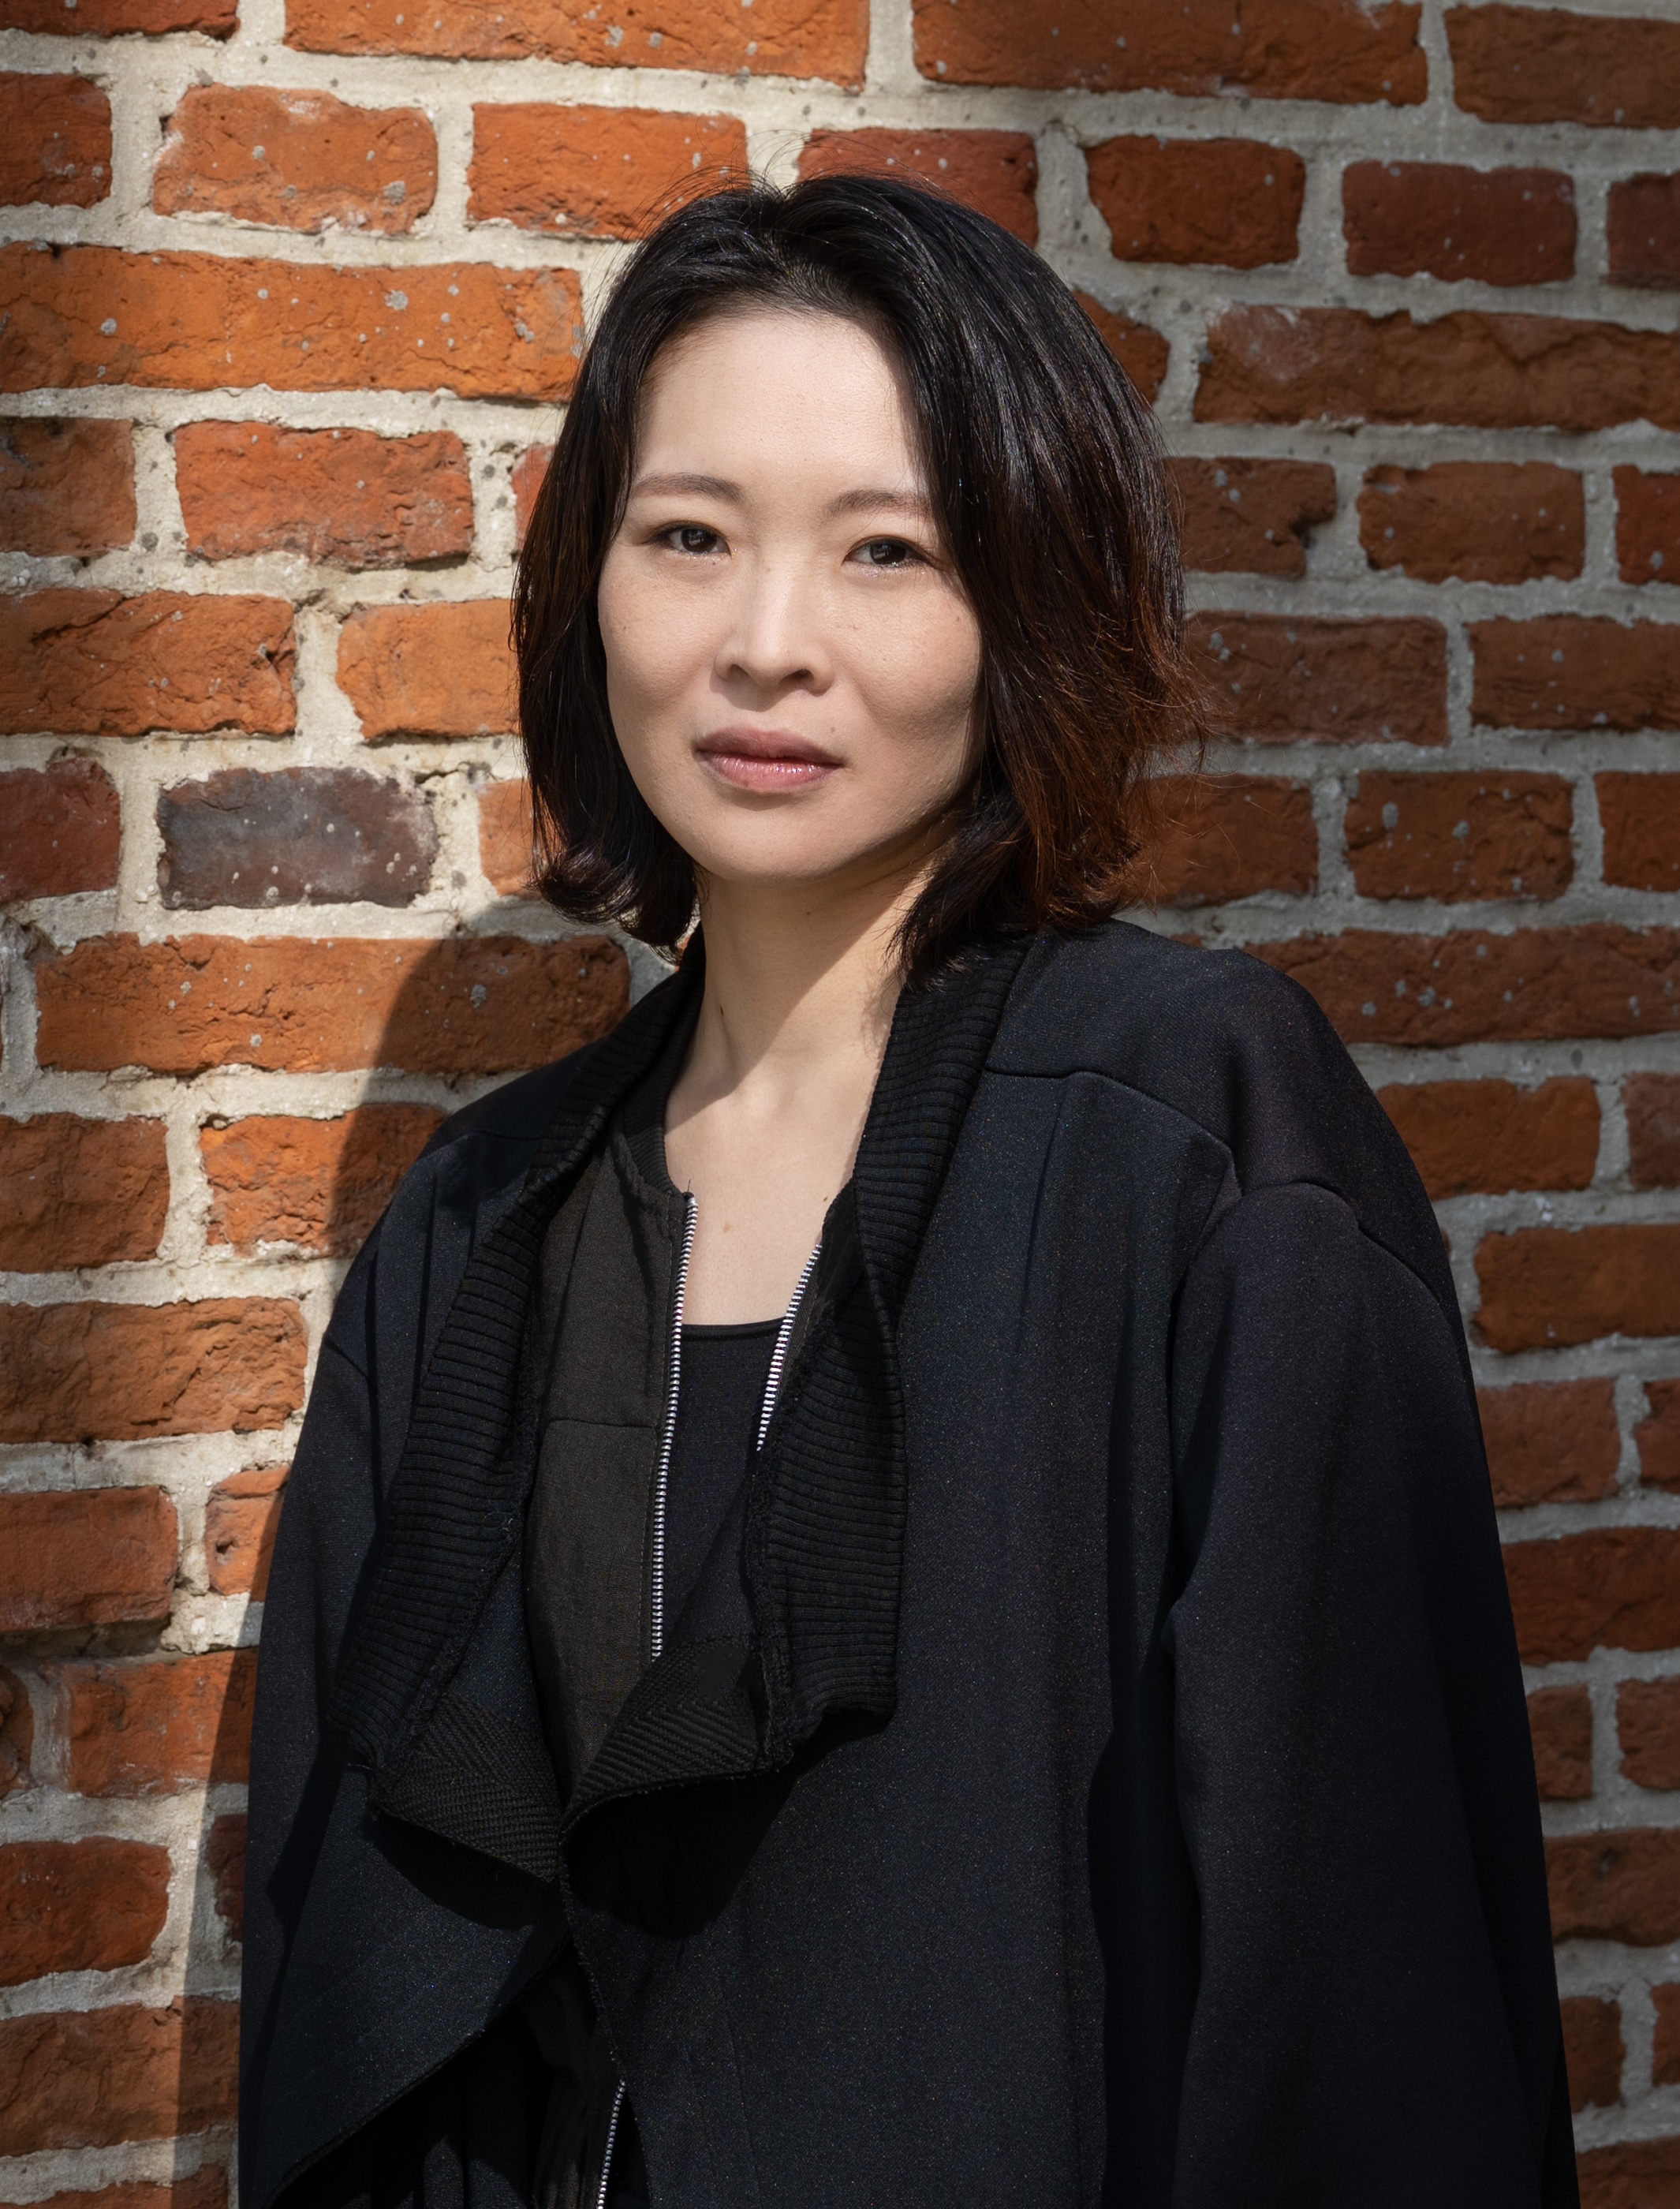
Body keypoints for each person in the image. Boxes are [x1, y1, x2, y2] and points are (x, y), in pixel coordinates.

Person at [241, 175, 1578, 2209]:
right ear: (590, 587)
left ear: (1025, 602)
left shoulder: (1195, 1145)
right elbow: (345, 1997)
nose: (765, 646)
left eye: (887, 550)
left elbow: (1364, 1998)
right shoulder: (479, 1223)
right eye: (689, 537)